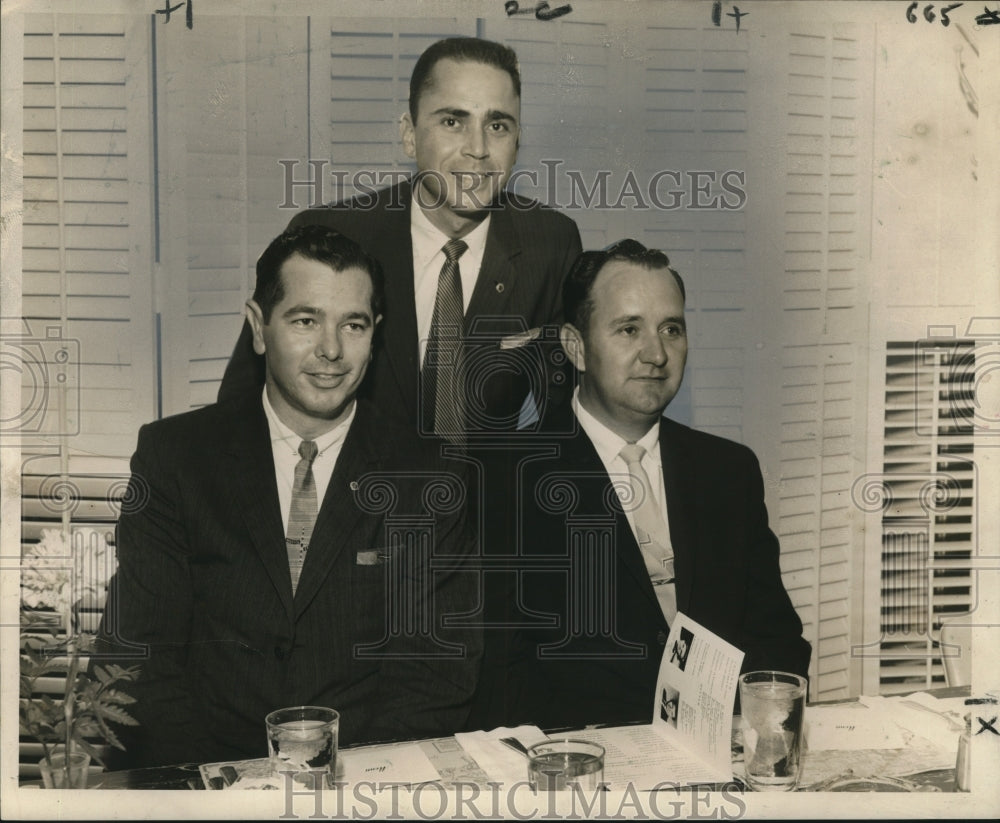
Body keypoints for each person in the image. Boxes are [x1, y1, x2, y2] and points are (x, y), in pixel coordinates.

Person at [95, 226, 482, 769]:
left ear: (375, 335)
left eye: (353, 324)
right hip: (207, 780)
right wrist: (220, 794)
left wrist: (348, 790)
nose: (332, 350)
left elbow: (432, 681)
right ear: (259, 327)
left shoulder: (431, 475)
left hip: (364, 783)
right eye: (305, 321)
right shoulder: (176, 458)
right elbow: (139, 658)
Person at [491, 239, 811, 731]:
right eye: (629, 329)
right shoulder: (506, 478)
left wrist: (758, 735)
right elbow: (499, 674)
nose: (657, 354)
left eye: (671, 329)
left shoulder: (729, 471)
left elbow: (776, 640)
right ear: (576, 347)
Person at [219, 37, 582, 440]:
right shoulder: (332, 234)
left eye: (497, 126)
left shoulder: (551, 241)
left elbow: (568, 408)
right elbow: (240, 406)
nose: (478, 149)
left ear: (516, 142)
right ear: (409, 134)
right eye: (452, 122)